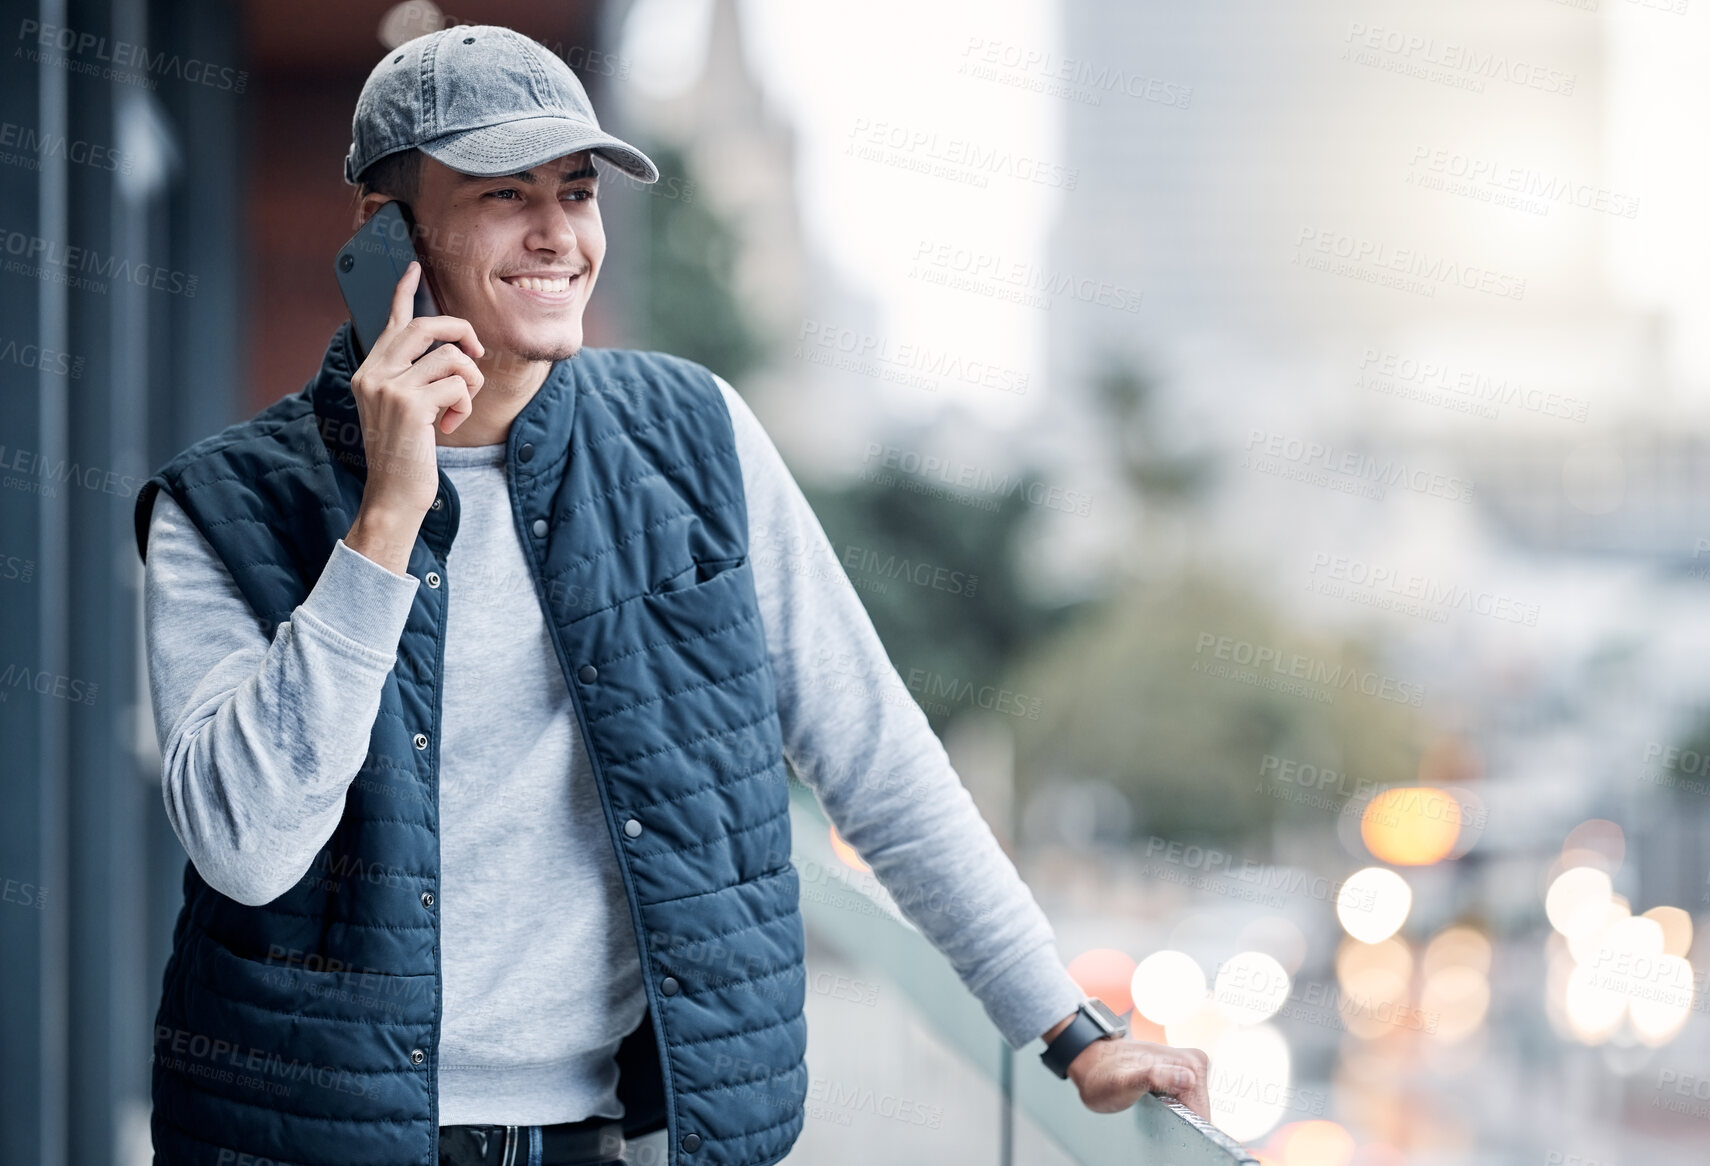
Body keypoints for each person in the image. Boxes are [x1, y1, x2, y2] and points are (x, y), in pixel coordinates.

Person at [137, 23, 1210, 1166]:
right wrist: (384, 523)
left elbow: (875, 756)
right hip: (317, 1140)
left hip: (603, 1136)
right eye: (506, 194)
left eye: (577, 190)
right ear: (386, 235)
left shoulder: (693, 438)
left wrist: (1064, 1024)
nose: (560, 235)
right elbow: (245, 847)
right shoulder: (222, 506)